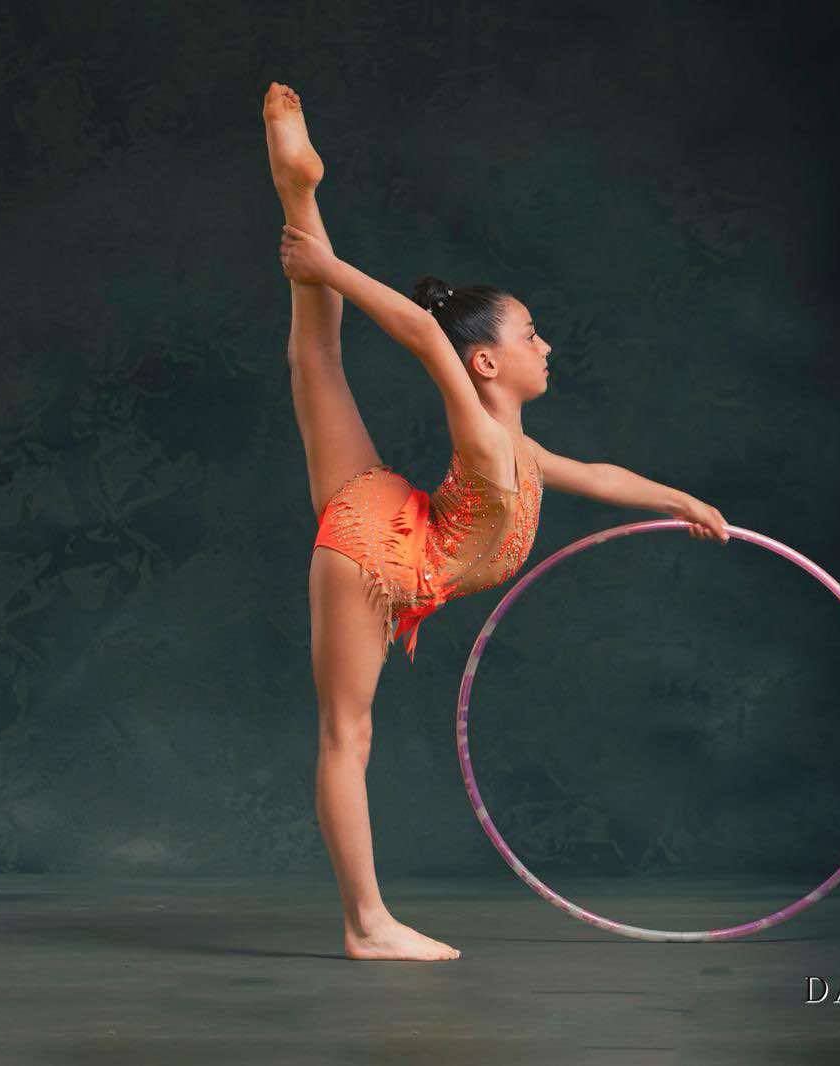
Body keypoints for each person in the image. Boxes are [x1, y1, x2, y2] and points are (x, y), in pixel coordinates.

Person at [262, 82, 729, 962]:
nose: (546, 347)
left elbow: (598, 474)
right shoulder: (483, 438)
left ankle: (298, 191)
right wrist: (328, 270)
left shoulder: (522, 451)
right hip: (384, 561)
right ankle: (366, 925)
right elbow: (420, 332)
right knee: (346, 736)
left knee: (315, 361)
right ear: (485, 362)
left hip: (389, 511)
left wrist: (681, 500)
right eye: (531, 335)